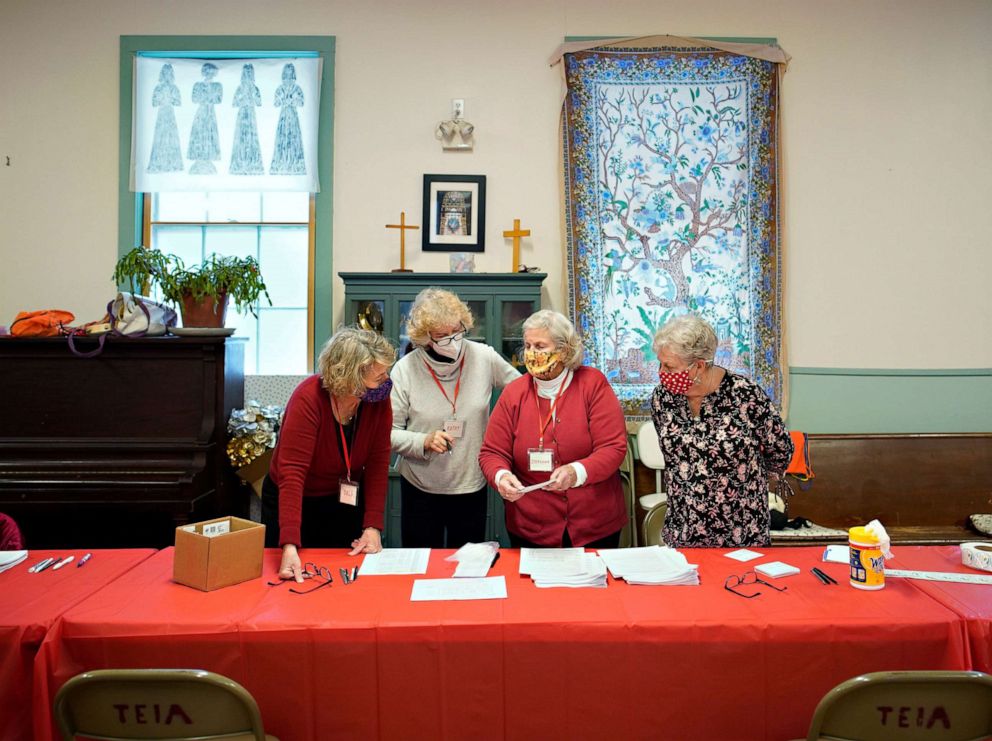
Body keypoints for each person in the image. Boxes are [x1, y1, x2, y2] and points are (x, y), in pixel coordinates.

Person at [479, 310, 627, 548]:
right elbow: (491, 452)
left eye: (540, 346)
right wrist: (501, 476)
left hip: (593, 524)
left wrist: (576, 472)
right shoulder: (514, 393)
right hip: (532, 526)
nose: (531, 353)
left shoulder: (593, 384)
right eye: (527, 345)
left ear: (564, 350)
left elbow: (613, 447)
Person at [262, 327, 395, 582]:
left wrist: (372, 526)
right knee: (296, 581)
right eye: (379, 375)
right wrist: (289, 545)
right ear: (352, 377)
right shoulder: (308, 399)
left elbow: (379, 462)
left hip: (342, 498)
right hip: (296, 500)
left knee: (341, 576)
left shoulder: (378, 399)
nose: (386, 380)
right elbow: (292, 474)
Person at [650, 314, 794, 548]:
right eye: (660, 363)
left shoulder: (746, 395)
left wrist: (746, 478)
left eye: (669, 366)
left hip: (741, 532)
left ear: (698, 365)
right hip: (683, 529)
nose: (661, 372)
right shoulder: (662, 399)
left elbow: (780, 450)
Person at [390, 288, 519, 548]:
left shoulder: (484, 356)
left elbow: (522, 392)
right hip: (420, 487)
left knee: (469, 567)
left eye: (457, 332)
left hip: (470, 484)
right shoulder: (406, 368)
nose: (453, 341)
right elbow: (387, 432)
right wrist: (423, 441)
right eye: (443, 336)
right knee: (423, 567)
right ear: (425, 338)